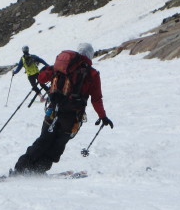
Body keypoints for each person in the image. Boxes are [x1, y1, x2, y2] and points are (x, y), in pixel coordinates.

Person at [13, 43, 113, 175]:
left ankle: (21, 168)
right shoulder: (92, 74)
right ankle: (38, 170)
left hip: (53, 110)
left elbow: (41, 78)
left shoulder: (61, 67)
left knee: (43, 139)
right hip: (72, 117)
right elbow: (96, 98)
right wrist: (102, 116)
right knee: (57, 146)